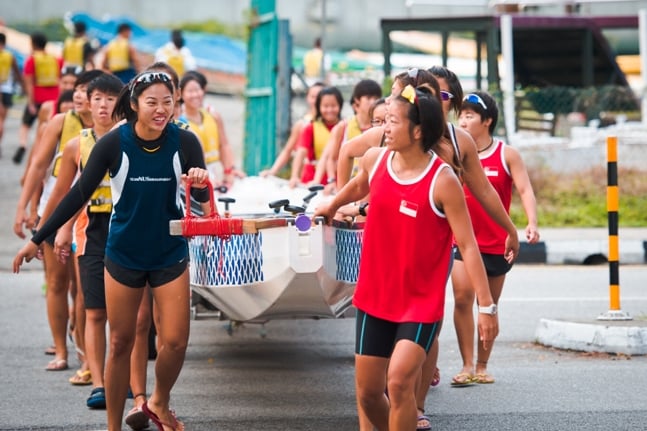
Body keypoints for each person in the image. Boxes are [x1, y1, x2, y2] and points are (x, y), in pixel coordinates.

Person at [13, 70, 211, 431]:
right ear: (134, 105)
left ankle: (159, 402)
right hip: (123, 255)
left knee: (176, 341)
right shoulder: (113, 143)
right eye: (152, 102)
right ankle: (112, 427)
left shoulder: (185, 142)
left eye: (167, 102)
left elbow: (200, 204)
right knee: (119, 342)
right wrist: (38, 237)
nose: (161, 109)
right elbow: (77, 194)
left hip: (170, 253)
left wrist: (200, 185)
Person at [314, 84, 498, 431]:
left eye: (392, 121)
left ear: (417, 131)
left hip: (419, 304)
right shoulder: (376, 160)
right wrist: (333, 204)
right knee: (369, 393)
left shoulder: (442, 181)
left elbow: (469, 245)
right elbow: (359, 184)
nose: (383, 128)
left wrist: (487, 307)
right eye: (383, 120)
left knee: (398, 383)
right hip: (374, 298)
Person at [38, 72, 124, 404]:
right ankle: (98, 383)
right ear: (87, 102)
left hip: (125, 228)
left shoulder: (128, 138)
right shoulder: (77, 144)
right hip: (88, 232)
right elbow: (65, 194)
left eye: (110, 99)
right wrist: (51, 232)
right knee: (93, 309)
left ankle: (130, 383)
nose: (103, 105)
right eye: (97, 98)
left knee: (127, 315)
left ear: (121, 104)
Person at [14, 69, 101, 373]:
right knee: (56, 283)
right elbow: (37, 166)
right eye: (77, 89)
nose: (78, 95)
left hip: (91, 218)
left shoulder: (112, 130)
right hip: (56, 211)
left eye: (85, 90)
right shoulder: (61, 123)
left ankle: (85, 351)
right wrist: (24, 209)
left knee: (82, 289)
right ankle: (62, 350)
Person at [452, 90, 540, 385]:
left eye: (469, 115)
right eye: (460, 115)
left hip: (496, 244)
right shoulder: (456, 152)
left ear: (486, 120)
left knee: (487, 304)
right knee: (462, 298)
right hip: (463, 242)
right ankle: (465, 365)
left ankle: (481, 365)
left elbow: (525, 189)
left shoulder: (506, 154)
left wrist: (531, 222)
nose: (462, 121)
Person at [311, 78, 382, 194]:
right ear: (357, 101)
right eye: (369, 98)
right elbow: (331, 159)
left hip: (370, 188)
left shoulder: (381, 127)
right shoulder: (343, 126)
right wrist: (332, 180)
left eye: (376, 98)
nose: (373, 102)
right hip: (346, 187)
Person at [179, 71, 244, 187]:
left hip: (216, 173)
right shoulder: (179, 123)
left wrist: (229, 171)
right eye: (190, 91)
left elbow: (224, 145)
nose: (195, 94)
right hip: (195, 178)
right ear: (181, 94)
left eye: (197, 90)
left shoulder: (213, 116)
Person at [14, 31, 63, 164]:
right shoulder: (56, 59)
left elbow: (28, 83)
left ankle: (23, 145)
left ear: (33, 44)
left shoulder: (32, 59)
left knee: (25, 125)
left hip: (37, 98)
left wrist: (30, 102)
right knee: (50, 125)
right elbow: (61, 79)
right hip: (53, 99)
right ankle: (48, 148)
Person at [259, 82, 324, 178]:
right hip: (306, 176)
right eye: (313, 97)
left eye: (320, 96)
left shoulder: (336, 125)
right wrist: (273, 171)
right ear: (307, 98)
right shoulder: (302, 124)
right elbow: (288, 150)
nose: (316, 100)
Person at [288, 85, 343, 188]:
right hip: (312, 180)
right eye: (325, 106)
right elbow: (301, 153)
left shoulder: (346, 127)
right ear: (319, 107)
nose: (330, 110)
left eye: (333, 105)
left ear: (340, 105)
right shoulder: (310, 127)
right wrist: (294, 176)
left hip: (337, 181)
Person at [0, 32, 25, 158]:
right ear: (4, 42)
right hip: (6, 89)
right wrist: (22, 87)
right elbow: (17, 73)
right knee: (1, 120)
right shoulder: (10, 56)